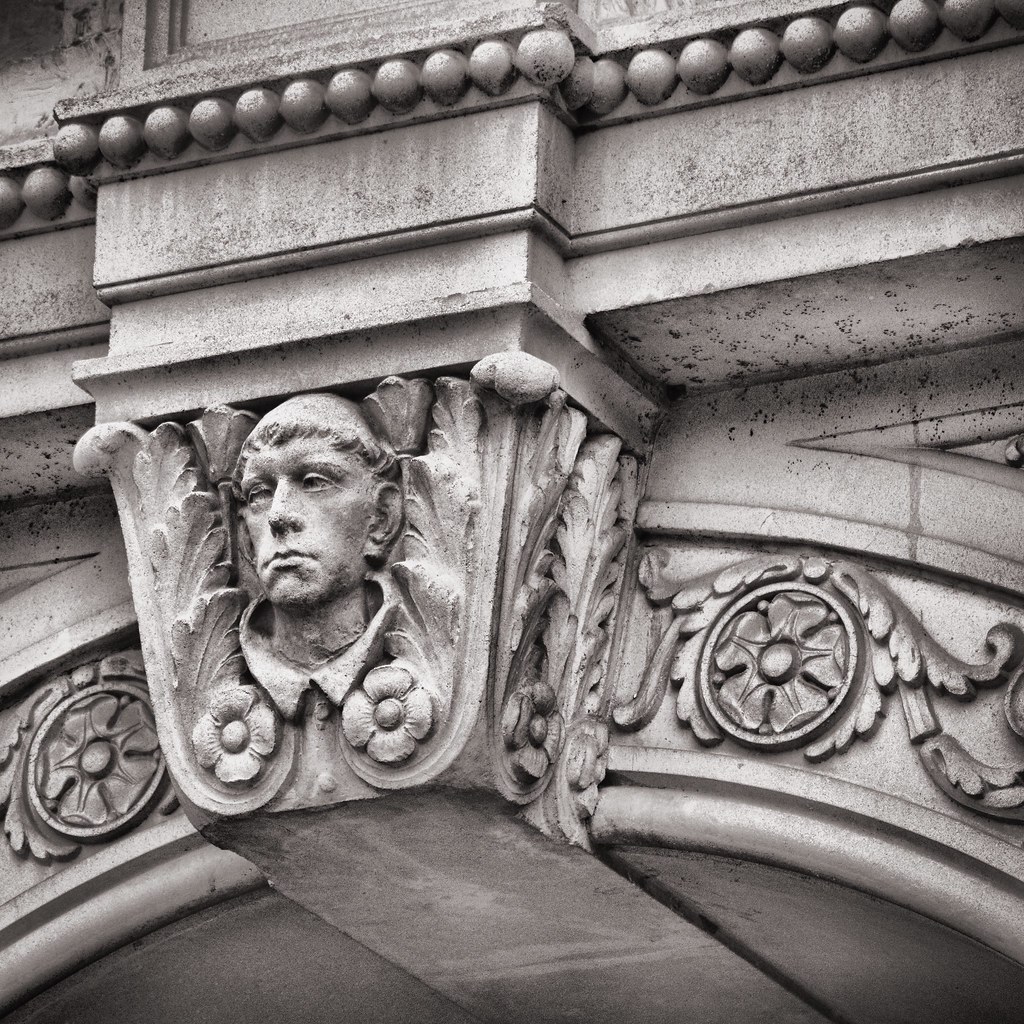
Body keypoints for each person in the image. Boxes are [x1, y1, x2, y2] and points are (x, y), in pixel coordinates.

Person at [233, 393, 403, 719]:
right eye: (260, 493)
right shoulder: (228, 677)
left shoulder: (411, 652)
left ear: (382, 519)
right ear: (245, 538)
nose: (278, 516)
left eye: (314, 482)